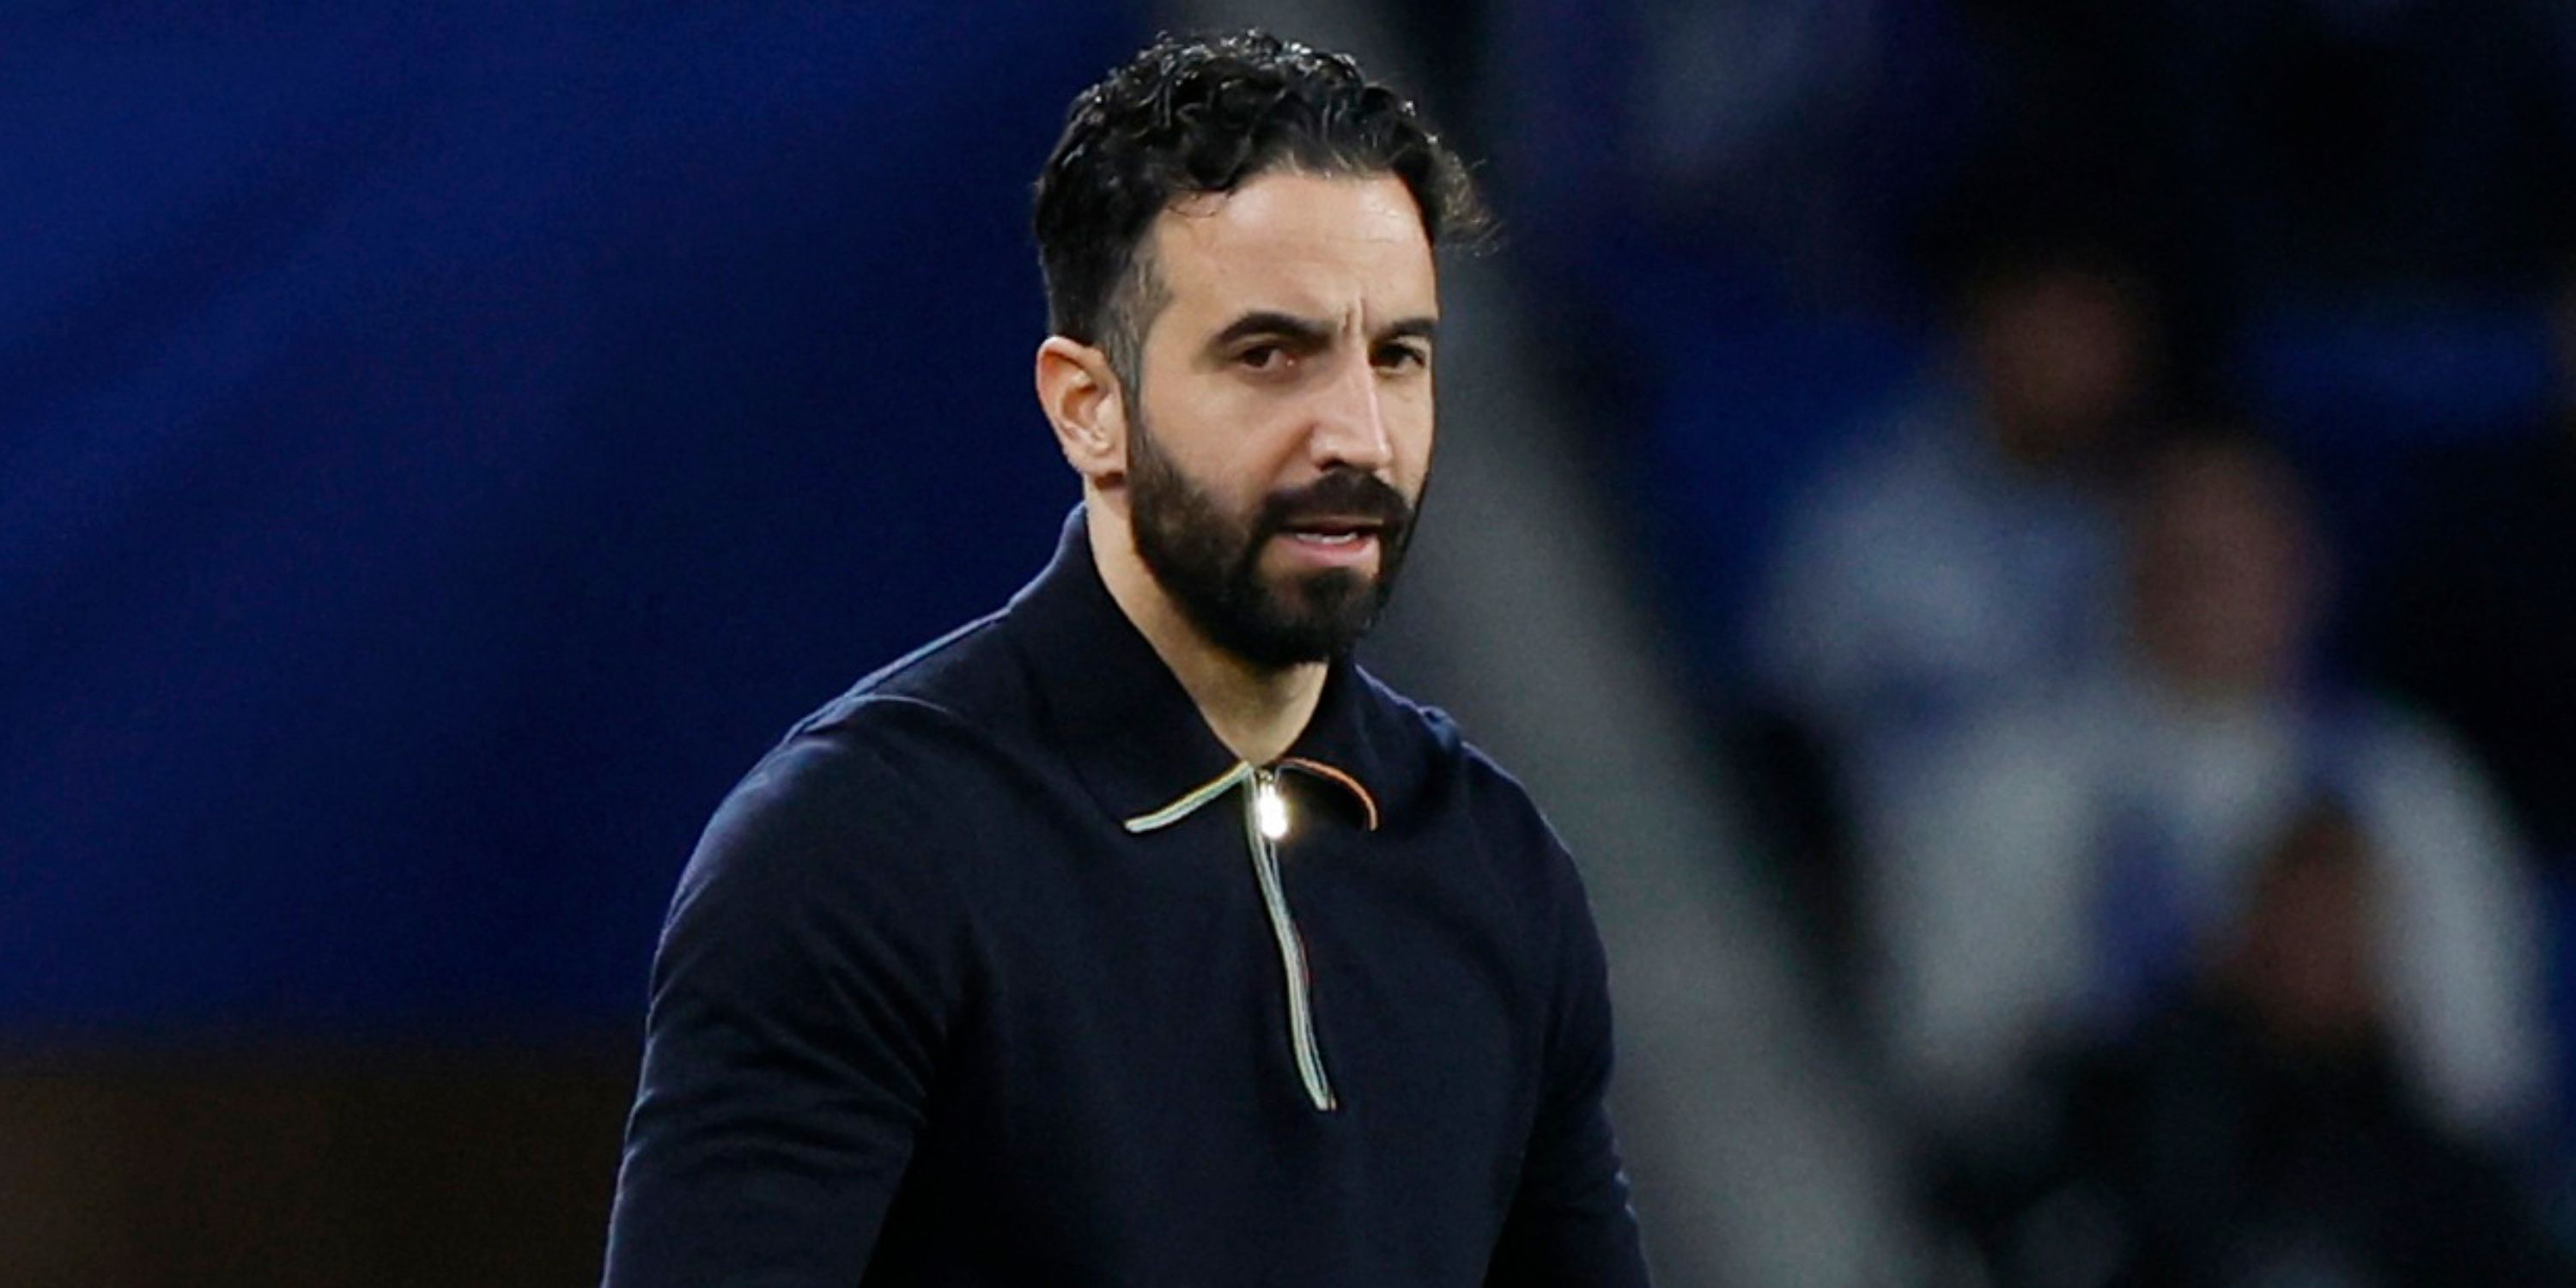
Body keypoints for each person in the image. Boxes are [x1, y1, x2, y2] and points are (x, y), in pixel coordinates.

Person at [599, 31, 1653, 1287]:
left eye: (1397, 357)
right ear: (1087, 408)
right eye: (1270, 356)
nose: (1359, 435)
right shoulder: (855, 853)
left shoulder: (1493, 862)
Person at [1872, 433, 2545, 1160]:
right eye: (2180, 557)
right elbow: (1941, 1057)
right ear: (2123, 567)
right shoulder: (2003, 781)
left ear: (2309, 570)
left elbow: (2483, 1074)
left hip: (2356, 1193)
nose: (2203, 587)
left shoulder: (2409, 789)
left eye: (2234, 557)